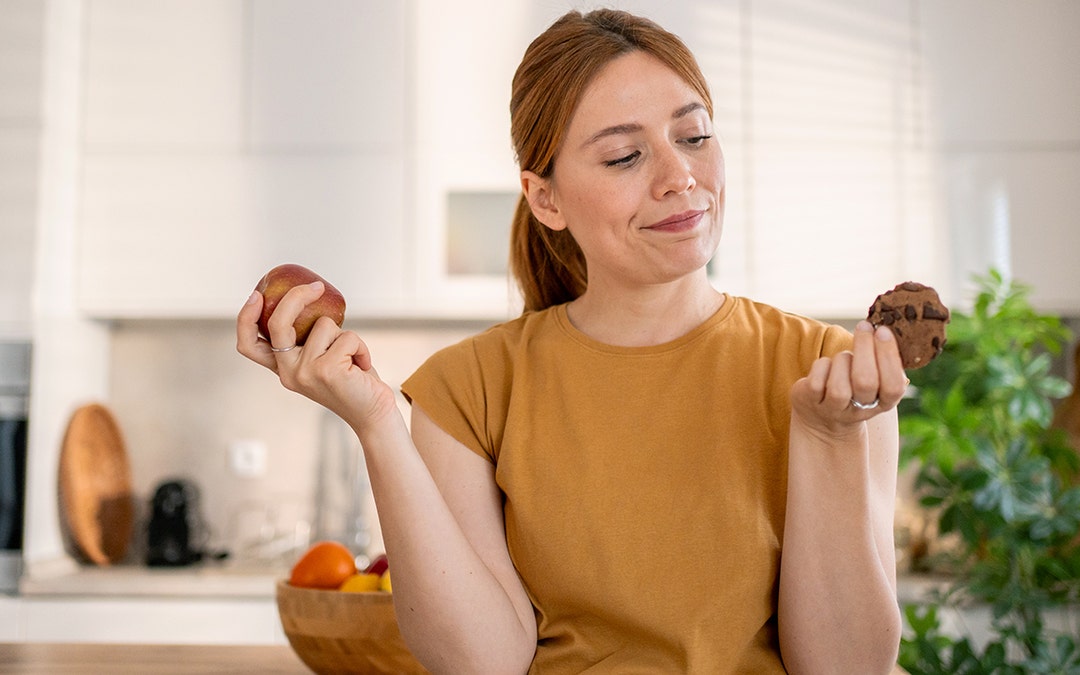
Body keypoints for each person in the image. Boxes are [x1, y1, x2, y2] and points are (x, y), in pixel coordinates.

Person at [237, 8, 904, 674]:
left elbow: (849, 668)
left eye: (694, 135)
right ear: (545, 198)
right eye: (624, 155)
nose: (681, 176)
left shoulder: (831, 377)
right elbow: (482, 661)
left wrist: (827, 437)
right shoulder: (469, 387)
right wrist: (378, 423)